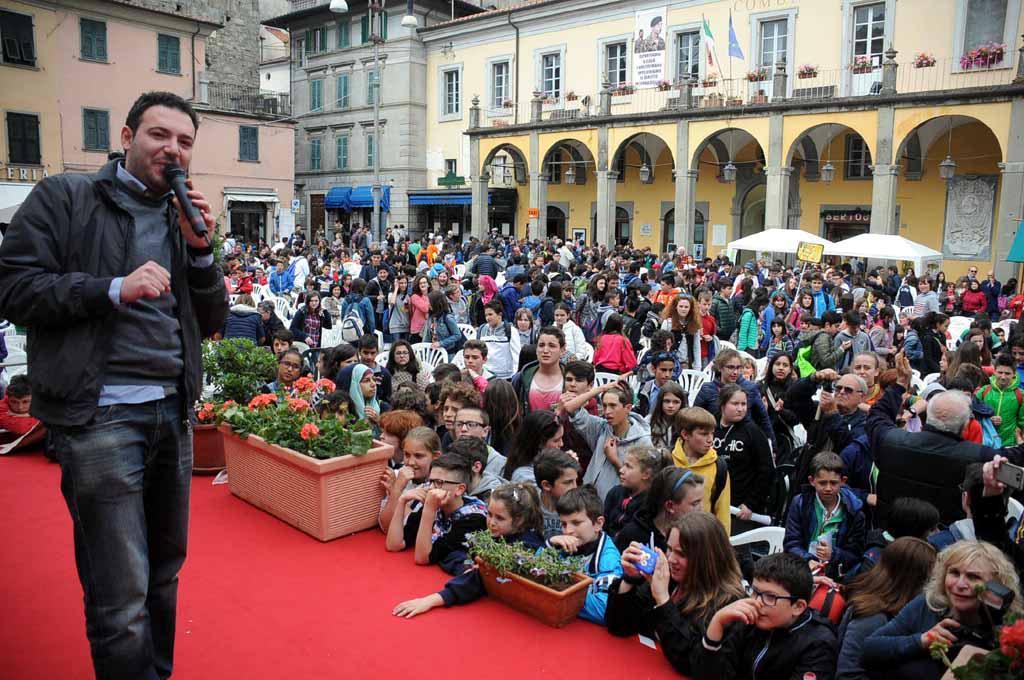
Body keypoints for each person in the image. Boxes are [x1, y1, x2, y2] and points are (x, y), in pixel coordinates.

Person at [0, 92, 229, 678]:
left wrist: (201, 252)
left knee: (164, 575)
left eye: (184, 142)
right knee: (121, 594)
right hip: (100, 414)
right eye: (159, 135)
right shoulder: (66, 197)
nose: (173, 150)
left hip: (171, 412)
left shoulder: (180, 215)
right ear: (127, 138)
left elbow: (211, 320)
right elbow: (14, 288)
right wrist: (110, 288)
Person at [867, 353, 1024, 525]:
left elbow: (876, 416)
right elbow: (1016, 457)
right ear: (965, 425)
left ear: (929, 415)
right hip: (945, 536)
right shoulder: (978, 456)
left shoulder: (891, 441)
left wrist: (900, 384)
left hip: (891, 531)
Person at [606, 512, 747, 677]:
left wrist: (663, 601)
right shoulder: (671, 580)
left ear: (707, 559)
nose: (671, 559)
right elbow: (619, 626)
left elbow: (691, 663)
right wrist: (629, 579)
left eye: (682, 554)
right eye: (669, 549)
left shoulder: (729, 603)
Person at [862, 540, 1023, 679]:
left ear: (997, 588)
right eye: (954, 573)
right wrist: (921, 641)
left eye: (973, 577)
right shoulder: (929, 605)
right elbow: (868, 649)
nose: (960, 584)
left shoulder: (1010, 632)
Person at [391, 483, 545, 619]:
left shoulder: (525, 546)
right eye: (489, 514)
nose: (491, 522)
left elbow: (478, 579)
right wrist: (466, 565)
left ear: (519, 520)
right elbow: (458, 555)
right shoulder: (497, 535)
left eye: (500, 518)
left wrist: (430, 600)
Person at [694, 552, 838, 680]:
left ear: (798, 606)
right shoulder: (748, 618)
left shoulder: (818, 645)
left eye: (770, 597)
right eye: (754, 591)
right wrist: (717, 623)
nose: (757, 602)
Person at [838, 536, 939, 680]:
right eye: (930, 579)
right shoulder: (872, 619)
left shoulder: (903, 613)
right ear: (912, 580)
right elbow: (848, 675)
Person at [384, 452, 488, 571]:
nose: (431, 488)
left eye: (438, 482)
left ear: (459, 489)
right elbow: (393, 545)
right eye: (430, 481)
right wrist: (402, 501)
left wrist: (429, 509)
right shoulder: (436, 504)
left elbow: (422, 558)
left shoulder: (474, 519)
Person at [560, 379, 653, 501]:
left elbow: (642, 484)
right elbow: (570, 407)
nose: (607, 412)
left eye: (613, 406)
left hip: (614, 506)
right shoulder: (601, 427)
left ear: (628, 408)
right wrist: (601, 389)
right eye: (604, 405)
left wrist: (615, 460)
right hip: (587, 501)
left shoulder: (643, 442)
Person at [784, 452, 866, 578]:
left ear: (843, 481)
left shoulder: (854, 512)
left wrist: (833, 554)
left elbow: (855, 554)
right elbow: (791, 543)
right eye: (822, 483)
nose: (828, 488)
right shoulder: (800, 503)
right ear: (812, 481)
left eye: (833, 483)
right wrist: (807, 560)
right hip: (802, 570)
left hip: (836, 575)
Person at [715, 384, 775, 533]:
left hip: (740, 508)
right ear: (722, 405)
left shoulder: (753, 431)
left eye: (743, 404)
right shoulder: (712, 427)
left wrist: (751, 503)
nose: (740, 409)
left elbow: (766, 470)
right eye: (735, 404)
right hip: (714, 502)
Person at [693, 348, 775, 443]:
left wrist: (771, 445)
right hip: (715, 440)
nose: (735, 372)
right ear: (720, 367)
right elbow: (695, 417)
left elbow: (763, 419)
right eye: (730, 367)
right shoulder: (708, 389)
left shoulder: (750, 388)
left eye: (738, 368)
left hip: (744, 440)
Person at [671, 407, 731, 530]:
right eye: (704, 434)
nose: (710, 440)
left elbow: (723, 513)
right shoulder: (667, 460)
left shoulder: (718, 466)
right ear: (685, 434)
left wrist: (722, 540)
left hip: (702, 535)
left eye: (712, 433)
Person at [378, 426, 441, 531]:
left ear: (436, 456)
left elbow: (412, 529)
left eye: (418, 456)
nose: (411, 462)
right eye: (407, 455)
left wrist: (396, 491)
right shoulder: (398, 475)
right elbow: (385, 526)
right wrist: (396, 489)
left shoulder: (439, 487)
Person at [974, 353, 1024, 447]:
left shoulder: (1020, 394)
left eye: (1007, 373)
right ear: (994, 371)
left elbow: (1022, 422)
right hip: (986, 443)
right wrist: (988, 420)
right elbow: (973, 415)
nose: (1003, 377)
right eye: (1000, 372)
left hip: (1010, 444)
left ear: (1014, 374)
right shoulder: (984, 391)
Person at [502, 409, 564, 484]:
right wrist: (565, 470)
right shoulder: (524, 476)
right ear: (539, 443)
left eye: (562, 438)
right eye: (556, 440)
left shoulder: (546, 462)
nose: (561, 444)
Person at [477, 300, 520, 380]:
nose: (487, 318)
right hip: (486, 376)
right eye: (486, 315)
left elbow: (517, 355)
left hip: (505, 377)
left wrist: (514, 376)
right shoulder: (482, 329)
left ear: (499, 315)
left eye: (490, 314)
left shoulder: (511, 330)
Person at [0, 375, 42, 445]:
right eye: (14, 402)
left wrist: (27, 415)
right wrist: (36, 415)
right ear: (8, 397)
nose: (20, 407)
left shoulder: (41, 400)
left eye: (25, 402)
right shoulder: (1, 406)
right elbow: (21, 428)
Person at [646, 381, 686, 453]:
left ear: (682, 403)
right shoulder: (649, 421)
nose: (671, 406)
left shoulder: (686, 423)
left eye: (676, 402)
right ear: (660, 402)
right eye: (667, 401)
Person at [421, 289, 464, 357]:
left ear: (436, 303)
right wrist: (424, 350)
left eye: (429, 302)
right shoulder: (431, 317)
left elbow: (457, 335)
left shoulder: (447, 318)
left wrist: (441, 343)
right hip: (434, 353)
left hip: (448, 353)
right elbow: (427, 336)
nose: (428, 304)